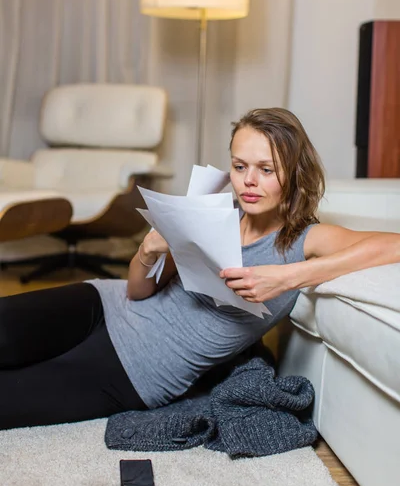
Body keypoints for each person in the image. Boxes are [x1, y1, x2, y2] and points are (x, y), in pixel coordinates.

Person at [0, 108, 399, 431]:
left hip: (136, 369)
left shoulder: (303, 240)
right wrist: (149, 248)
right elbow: (137, 292)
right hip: (103, 304)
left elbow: (393, 244)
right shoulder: (213, 212)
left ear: (293, 174)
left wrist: (289, 275)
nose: (249, 182)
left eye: (267, 169)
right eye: (240, 166)